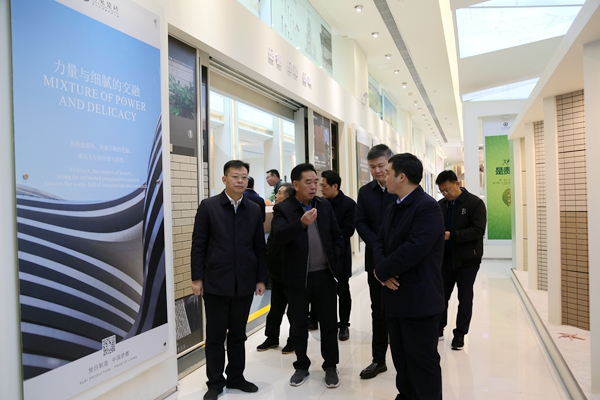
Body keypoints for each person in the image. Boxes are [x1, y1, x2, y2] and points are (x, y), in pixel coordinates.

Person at [190, 160, 267, 400]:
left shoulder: (253, 208)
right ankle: (215, 382)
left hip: (244, 282)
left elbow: (259, 247)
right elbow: (198, 244)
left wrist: (261, 279)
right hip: (215, 282)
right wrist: (197, 278)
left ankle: (236, 376)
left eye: (244, 177)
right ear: (224, 179)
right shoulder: (209, 207)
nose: (240, 181)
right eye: (235, 176)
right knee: (215, 336)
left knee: (238, 334)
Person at [373, 153, 445, 400]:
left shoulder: (427, 207)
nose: (384, 176)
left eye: (388, 172)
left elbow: (414, 249)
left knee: (422, 362)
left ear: (401, 176)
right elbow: (379, 241)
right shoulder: (394, 206)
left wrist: (381, 271)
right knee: (401, 359)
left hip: (419, 299)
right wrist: (381, 272)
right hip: (395, 298)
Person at [270, 163, 343, 389]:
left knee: (329, 323)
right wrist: (301, 223)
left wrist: (336, 260)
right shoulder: (284, 209)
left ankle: (330, 366)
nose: (314, 187)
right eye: (308, 182)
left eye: (316, 182)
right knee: (299, 325)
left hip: (324, 276)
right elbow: (278, 237)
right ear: (296, 184)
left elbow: (337, 235)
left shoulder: (324, 205)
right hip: (297, 278)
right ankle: (301, 365)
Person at [354, 144, 396, 379]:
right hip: (376, 262)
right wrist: (378, 246)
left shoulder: (399, 188)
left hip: (400, 260)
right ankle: (378, 360)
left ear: (390, 163)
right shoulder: (365, 192)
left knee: (401, 311)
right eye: (372, 167)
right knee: (378, 311)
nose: (377, 171)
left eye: (381, 165)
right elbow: (360, 223)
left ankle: (406, 358)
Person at [435, 170, 487, 350]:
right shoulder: (441, 205)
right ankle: (438, 328)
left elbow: (478, 230)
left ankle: (460, 334)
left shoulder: (475, 203)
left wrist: (452, 235)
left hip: (468, 260)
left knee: (464, 298)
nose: (445, 194)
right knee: (441, 296)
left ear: (457, 183)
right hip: (445, 259)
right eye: (442, 191)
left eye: (447, 189)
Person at [317, 170, 356, 341]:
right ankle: (324, 322)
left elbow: (349, 230)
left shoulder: (349, 204)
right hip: (322, 255)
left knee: (343, 290)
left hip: (340, 254)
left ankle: (344, 324)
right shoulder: (319, 203)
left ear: (335, 186)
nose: (321, 189)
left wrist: (330, 237)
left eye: (324, 186)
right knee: (324, 291)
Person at [256, 182, 295, 354]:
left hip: (291, 270)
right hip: (276, 269)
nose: (276, 196)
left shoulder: (295, 215)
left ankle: (293, 340)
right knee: (275, 308)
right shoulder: (277, 215)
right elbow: (272, 240)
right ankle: (271, 337)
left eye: (279, 193)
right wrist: (268, 258)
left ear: (288, 197)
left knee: (293, 310)